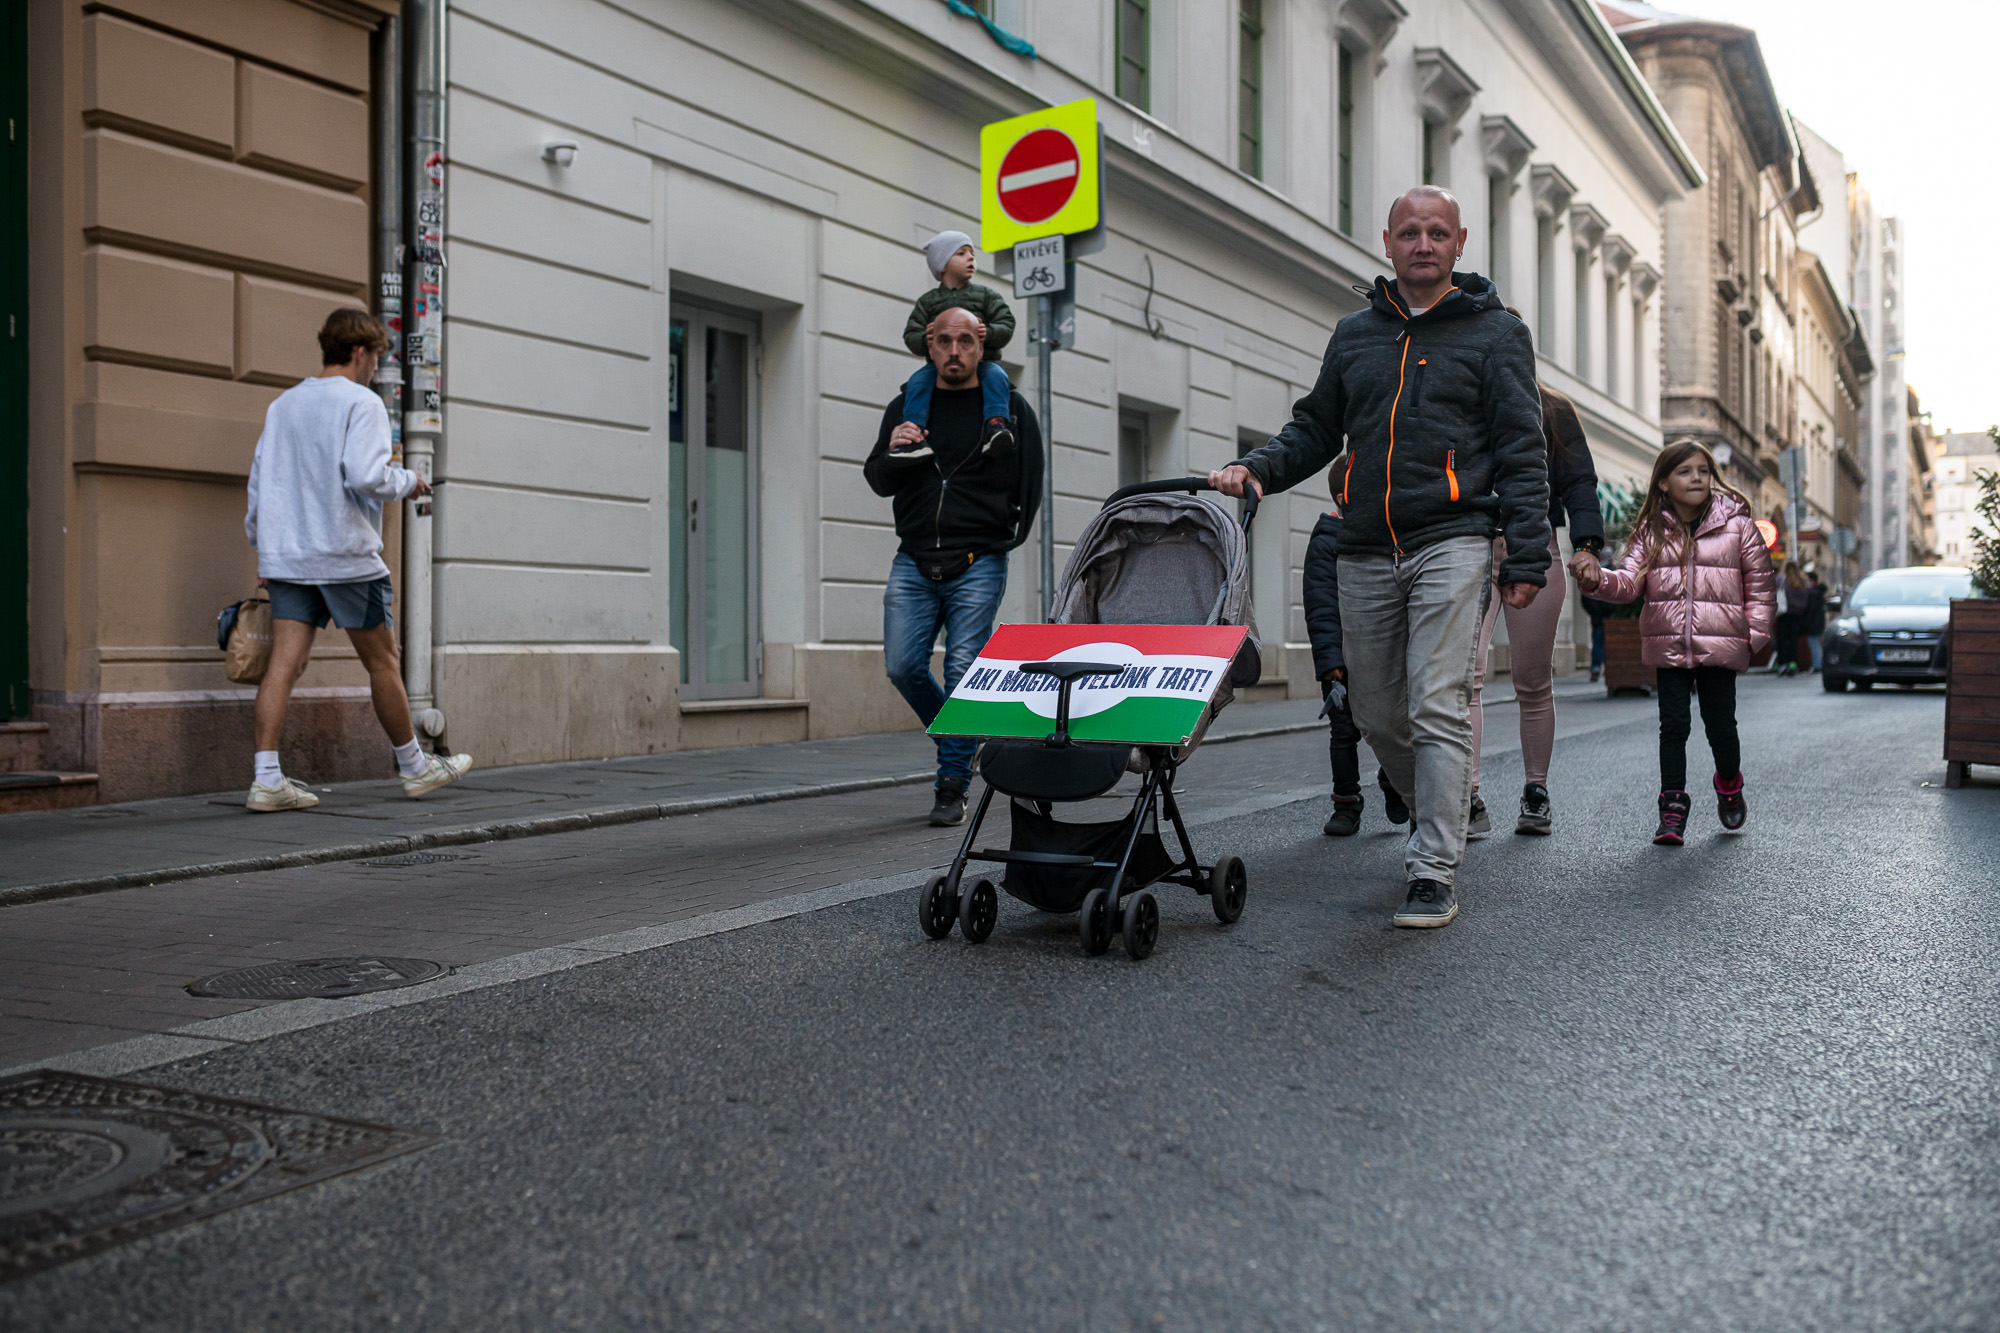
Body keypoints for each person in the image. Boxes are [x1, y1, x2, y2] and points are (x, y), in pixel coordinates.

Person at [1211, 185, 1552, 929]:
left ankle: (1432, 868)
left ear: (1459, 243)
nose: (1422, 243)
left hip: (1454, 537)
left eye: (1437, 232)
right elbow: (1316, 426)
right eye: (1409, 232)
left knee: (1437, 701)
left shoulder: (1497, 335)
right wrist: (1260, 468)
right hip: (1365, 544)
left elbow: (1525, 449)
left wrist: (1526, 555)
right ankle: (1451, 798)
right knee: (1374, 712)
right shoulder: (1355, 333)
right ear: (1387, 241)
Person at [243, 309, 472, 812]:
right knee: (382, 661)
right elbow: (366, 477)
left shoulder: (283, 405)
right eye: (376, 359)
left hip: (289, 558)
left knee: (283, 665)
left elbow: (261, 483)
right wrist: (410, 481)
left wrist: (264, 546)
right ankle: (415, 767)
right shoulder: (362, 403)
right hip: (344, 556)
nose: (375, 370)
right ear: (362, 353)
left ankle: (265, 779)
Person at [865, 306, 1043, 826]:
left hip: (978, 559)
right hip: (914, 559)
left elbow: (1031, 476)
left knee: (964, 671)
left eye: (965, 342)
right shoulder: (907, 405)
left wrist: (1012, 535)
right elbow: (878, 477)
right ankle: (959, 737)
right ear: (929, 346)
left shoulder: (1007, 406)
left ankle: (951, 784)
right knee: (902, 666)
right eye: (944, 342)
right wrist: (893, 451)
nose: (955, 352)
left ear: (981, 346)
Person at [1578, 438, 1775, 845]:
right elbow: (1629, 581)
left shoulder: (1738, 526)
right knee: (1673, 726)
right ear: (1664, 483)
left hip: (1721, 646)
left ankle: (1729, 784)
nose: (1697, 478)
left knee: (1721, 727)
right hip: (1669, 645)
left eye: (1703, 471)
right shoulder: (1650, 531)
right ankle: (1672, 809)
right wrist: (1598, 580)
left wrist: (1751, 637)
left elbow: (1760, 588)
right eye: (1685, 472)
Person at [1466, 374, 1606, 837]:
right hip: (1469, 547)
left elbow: (1580, 482)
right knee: (1466, 676)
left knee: (1532, 680)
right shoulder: (1461, 397)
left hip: (1536, 547)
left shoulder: (1555, 410)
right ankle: (1467, 796)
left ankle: (1536, 792)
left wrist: (1587, 544)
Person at [1301, 505, 1410, 837]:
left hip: (1385, 655)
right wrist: (1329, 660)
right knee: (1344, 733)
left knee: (1391, 727)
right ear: (1343, 496)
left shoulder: (1390, 530)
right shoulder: (1326, 541)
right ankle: (1346, 804)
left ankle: (1393, 780)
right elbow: (1320, 603)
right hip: (1342, 662)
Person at [899, 231, 1016, 459]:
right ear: (942, 264)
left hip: (982, 363)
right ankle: (913, 435)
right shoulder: (928, 302)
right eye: (961, 253)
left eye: (972, 254)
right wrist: (927, 340)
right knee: (917, 382)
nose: (970, 259)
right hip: (940, 368)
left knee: (996, 376)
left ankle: (996, 425)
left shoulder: (985, 296)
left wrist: (988, 333)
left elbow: (1006, 324)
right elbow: (911, 334)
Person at [1774, 560, 1807, 676]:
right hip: (1798, 616)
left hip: (1783, 614)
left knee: (1782, 640)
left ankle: (1782, 664)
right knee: (1794, 641)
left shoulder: (1781, 580)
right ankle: (1792, 664)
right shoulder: (1802, 582)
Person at [1802, 569, 1828, 672]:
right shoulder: (1819, 592)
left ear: (1812, 580)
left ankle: (1817, 665)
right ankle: (1817, 664)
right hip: (1818, 621)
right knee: (1815, 644)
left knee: (1814, 644)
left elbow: (1811, 610)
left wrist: (1806, 621)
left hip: (1813, 622)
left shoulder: (1813, 593)